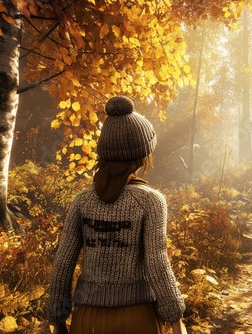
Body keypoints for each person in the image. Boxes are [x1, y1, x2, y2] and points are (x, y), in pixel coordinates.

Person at [47, 96, 187, 334]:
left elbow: (63, 262)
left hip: (87, 320)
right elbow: (157, 261)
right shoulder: (151, 201)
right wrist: (176, 321)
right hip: (139, 316)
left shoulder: (82, 201)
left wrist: (56, 319)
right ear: (142, 155)